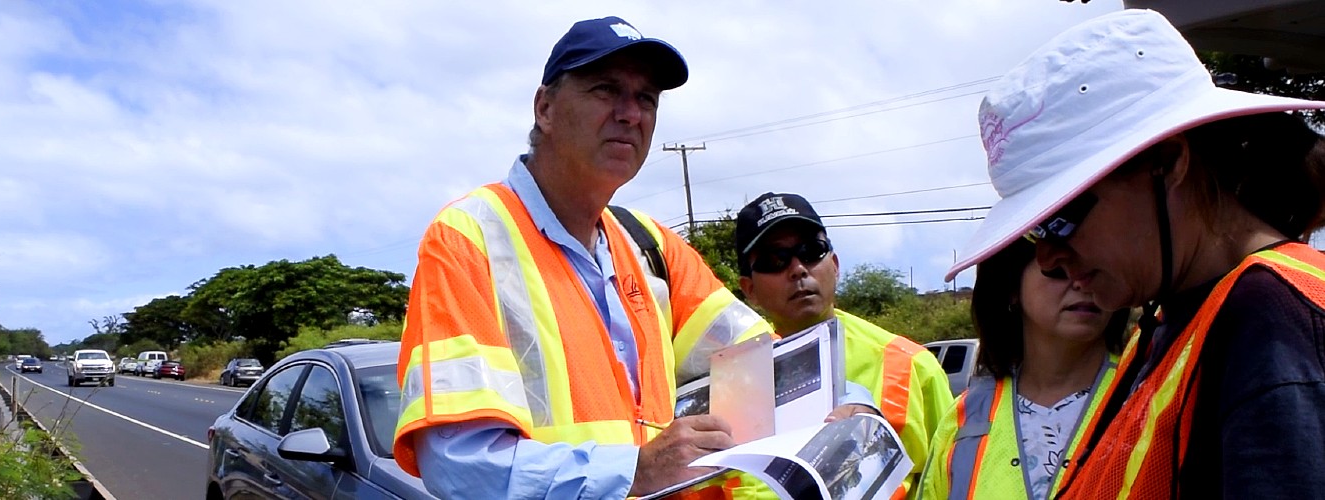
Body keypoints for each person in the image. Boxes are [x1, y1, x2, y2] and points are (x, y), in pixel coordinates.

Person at [391, 17, 868, 499]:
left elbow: (770, 364)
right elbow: (459, 465)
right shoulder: (469, 237)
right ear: (545, 108)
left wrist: (850, 402)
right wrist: (635, 471)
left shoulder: (649, 247)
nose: (630, 114)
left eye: (646, 99)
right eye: (606, 90)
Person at [943, 9, 1325, 499]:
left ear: (1167, 162)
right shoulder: (1183, 316)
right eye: (1038, 229)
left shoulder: (1272, 327)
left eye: (1061, 215)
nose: (1048, 256)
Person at [735, 192, 956, 499]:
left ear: (835, 265)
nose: (798, 269)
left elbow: (955, 480)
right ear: (750, 290)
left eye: (812, 251)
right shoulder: (734, 387)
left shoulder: (912, 366)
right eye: (775, 260)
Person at [918, 240, 1129, 499]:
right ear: (1011, 286)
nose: (1083, 282)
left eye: (1099, 267)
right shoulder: (964, 418)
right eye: (1059, 269)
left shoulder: (1148, 397)